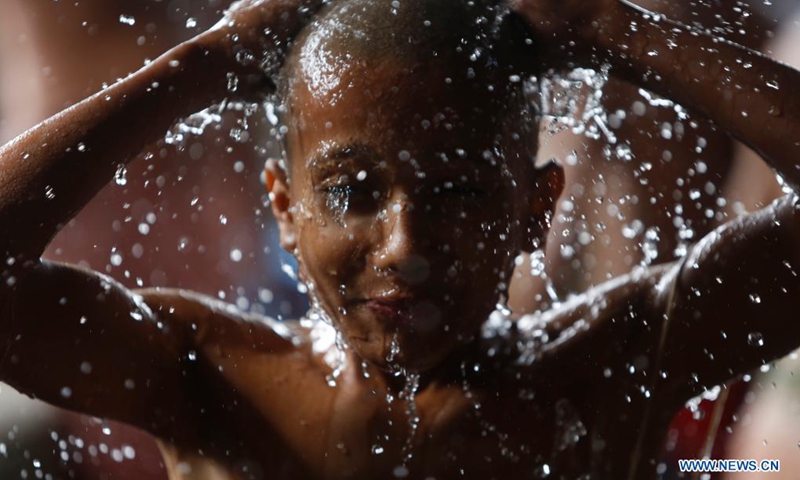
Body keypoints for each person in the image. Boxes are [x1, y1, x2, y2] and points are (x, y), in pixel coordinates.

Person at [1, 0, 799, 479]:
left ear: (532, 207)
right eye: (351, 193)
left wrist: (618, 31)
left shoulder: (611, 361)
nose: (405, 247)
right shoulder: (212, 380)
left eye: (459, 193)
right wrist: (204, 61)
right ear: (282, 205)